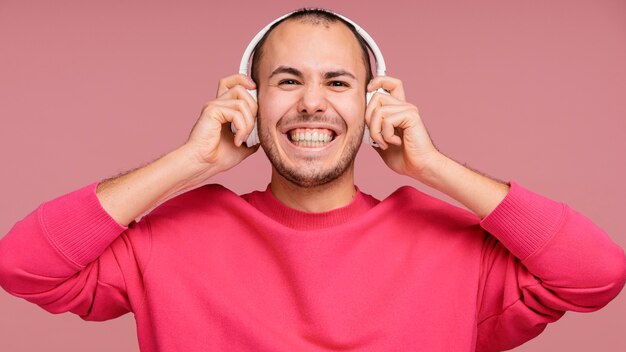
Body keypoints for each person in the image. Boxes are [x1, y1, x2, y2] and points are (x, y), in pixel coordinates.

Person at [0, 7, 625, 352]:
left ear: (374, 103)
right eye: (288, 80)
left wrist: (432, 166)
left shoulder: (450, 246)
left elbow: (597, 275)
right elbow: (23, 266)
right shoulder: (172, 237)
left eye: (337, 82)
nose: (311, 104)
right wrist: (193, 161)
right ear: (250, 100)